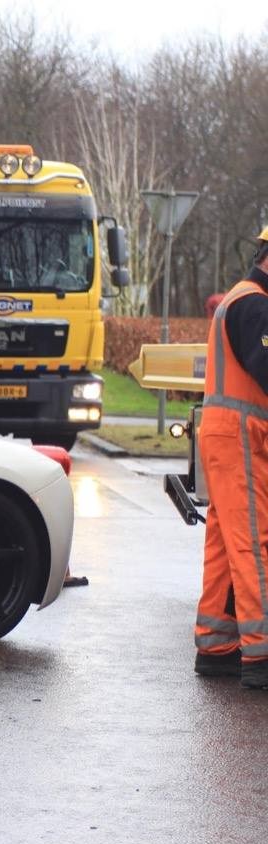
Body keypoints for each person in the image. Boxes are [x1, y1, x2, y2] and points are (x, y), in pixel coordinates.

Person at [193, 225, 268, 689]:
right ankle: (261, 654)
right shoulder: (254, 305)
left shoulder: (245, 300)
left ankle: (216, 644)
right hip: (241, 437)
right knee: (253, 544)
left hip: (231, 436)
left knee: (226, 542)